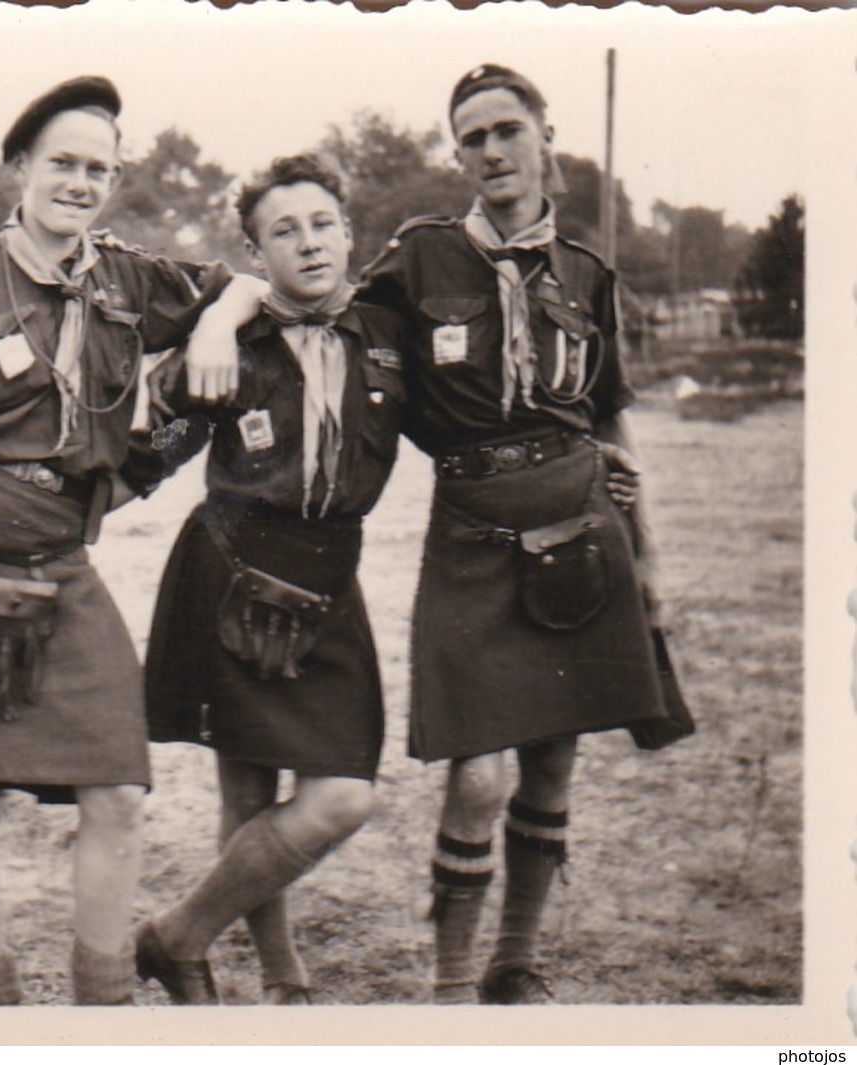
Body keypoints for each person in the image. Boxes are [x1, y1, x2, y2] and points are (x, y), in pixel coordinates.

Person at [0, 75, 259, 1006]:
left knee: (116, 787)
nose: (79, 182)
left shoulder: (127, 277)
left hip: (58, 547)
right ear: (19, 168)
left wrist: (217, 325)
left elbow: (242, 283)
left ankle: (103, 1001)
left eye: (98, 169)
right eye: (62, 163)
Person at [358, 64, 683, 1004]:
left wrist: (649, 555)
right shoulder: (418, 256)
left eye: (507, 129)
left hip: (581, 524)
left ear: (546, 135)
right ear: (457, 153)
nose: (491, 151)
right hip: (472, 531)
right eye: (472, 137)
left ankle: (516, 963)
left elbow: (610, 416)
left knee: (551, 755)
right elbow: (329, 323)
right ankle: (452, 986)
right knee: (475, 772)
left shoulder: (585, 272)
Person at [137, 153, 410, 1005]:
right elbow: (143, 431)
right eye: (281, 231)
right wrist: (215, 319)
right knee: (248, 786)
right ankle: (285, 982)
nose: (307, 243)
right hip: (232, 566)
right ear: (256, 254)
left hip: (330, 576)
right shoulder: (232, 339)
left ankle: (176, 934)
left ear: (349, 232)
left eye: (322, 223)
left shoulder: (388, 337)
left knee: (340, 795)